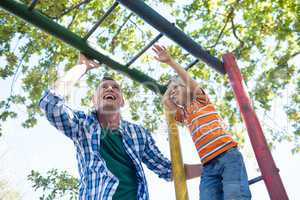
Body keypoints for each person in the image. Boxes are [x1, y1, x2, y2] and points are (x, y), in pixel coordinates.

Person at [39, 53, 201, 200]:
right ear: (93, 101)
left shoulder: (138, 133)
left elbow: (168, 170)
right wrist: (83, 66)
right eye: (104, 87)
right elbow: (50, 104)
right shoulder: (82, 125)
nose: (110, 88)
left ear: (122, 101)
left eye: (115, 87)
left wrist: (210, 168)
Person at [153, 44, 251, 200]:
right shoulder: (183, 114)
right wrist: (172, 84)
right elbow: (165, 100)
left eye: (176, 89)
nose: (172, 94)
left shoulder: (201, 100)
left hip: (227, 155)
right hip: (208, 166)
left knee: (235, 195)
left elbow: (187, 79)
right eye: (172, 92)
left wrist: (170, 61)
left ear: (188, 89)